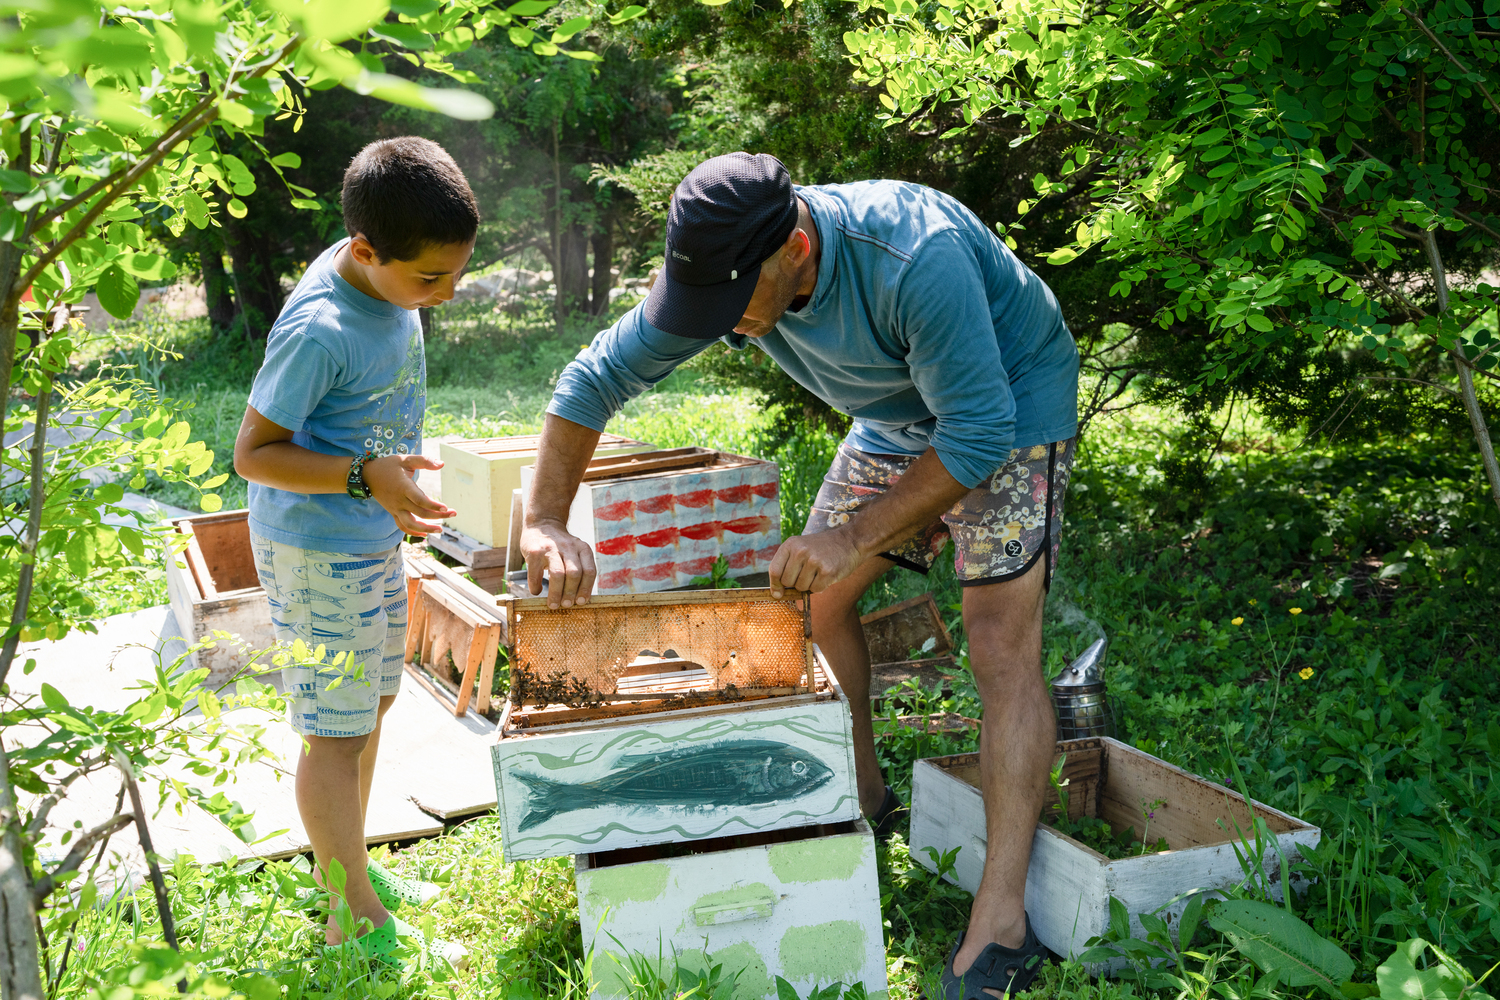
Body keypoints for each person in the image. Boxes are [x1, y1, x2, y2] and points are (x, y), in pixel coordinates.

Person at [520, 152, 1079, 999]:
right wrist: (543, 521)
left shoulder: (912, 260)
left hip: (1005, 405)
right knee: (813, 605)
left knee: (1000, 645)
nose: (719, 327)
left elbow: (972, 435)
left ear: (796, 250)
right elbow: (590, 381)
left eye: (731, 308)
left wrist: (854, 535)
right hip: (898, 418)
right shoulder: (724, 276)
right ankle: (861, 797)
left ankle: (1002, 923)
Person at [233, 136, 472, 970]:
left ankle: (352, 867)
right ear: (365, 252)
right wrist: (368, 478)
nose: (445, 294)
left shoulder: (382, 267)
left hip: (366, 533)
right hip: (316, 549)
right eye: (430, 279)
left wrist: (390, 484)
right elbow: (253, 455)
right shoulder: (319, 328)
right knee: (331, 735)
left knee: (369, 708)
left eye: (456, 273)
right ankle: (352, 913)